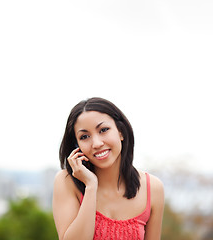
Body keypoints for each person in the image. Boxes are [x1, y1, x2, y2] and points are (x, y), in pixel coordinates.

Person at [52, 97, 164, 240]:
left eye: (103, 130)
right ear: (77, 145)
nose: (97, 143)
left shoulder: (152, 188)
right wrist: (91, 186)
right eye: (85, 136)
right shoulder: (66, 182)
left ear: (121, 132)